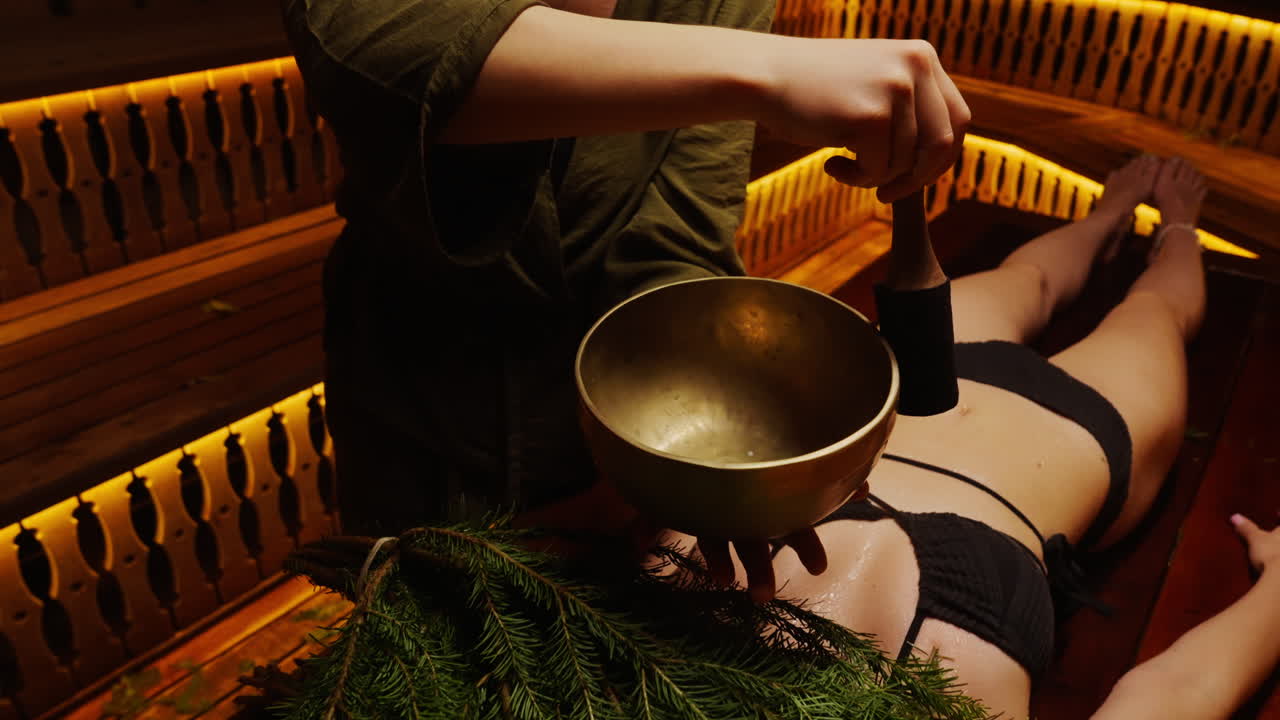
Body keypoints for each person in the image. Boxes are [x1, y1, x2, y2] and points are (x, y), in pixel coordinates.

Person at [280, 0, 967, 583]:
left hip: (613, 450)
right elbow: (370, 49)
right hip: (419, 420)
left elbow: (677, 231)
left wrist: (711, 452)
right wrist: (765, 68)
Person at [710, 154, 1280, 718]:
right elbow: (1181, 693)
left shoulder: (635, 651)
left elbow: (1185, 691)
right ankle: (1179, 225)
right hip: (1055, 444)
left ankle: (1105, 218)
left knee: (1032, 281)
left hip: (903, 400)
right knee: (1152, 309)